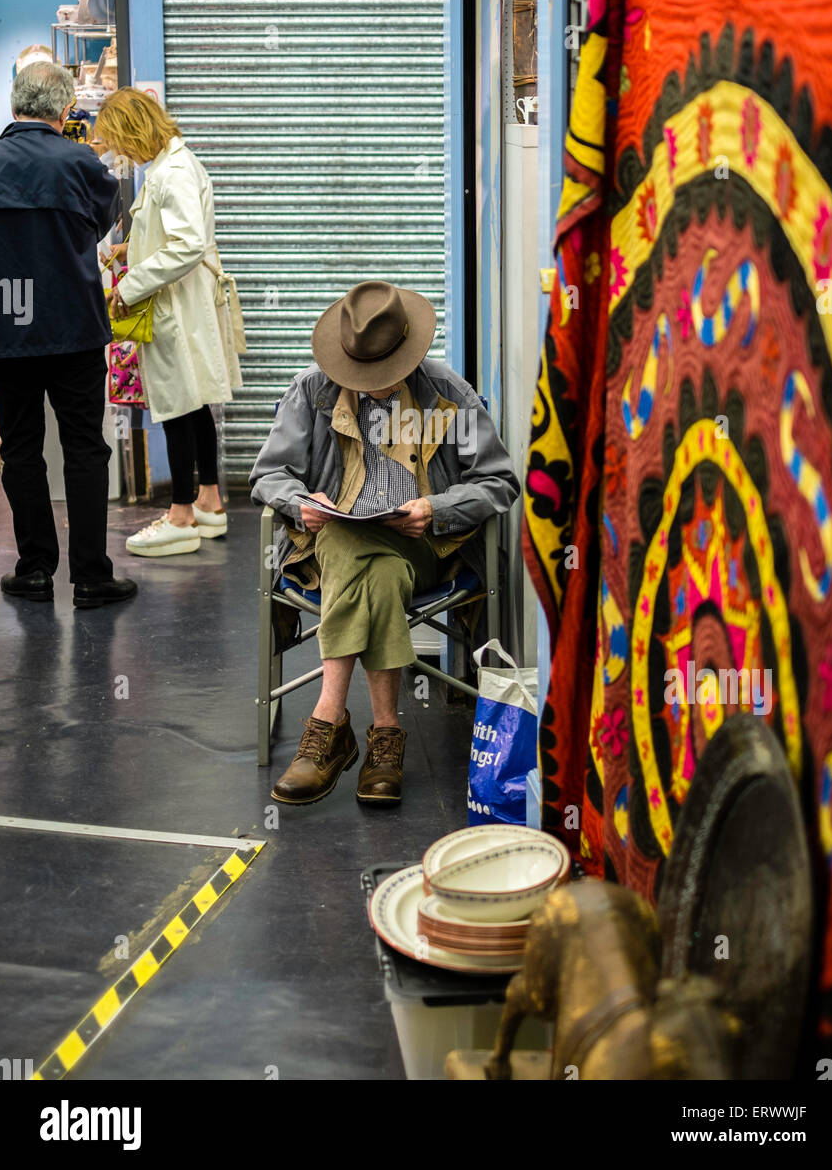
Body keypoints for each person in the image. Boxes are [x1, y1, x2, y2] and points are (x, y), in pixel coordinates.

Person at [250, 279, 520, 807]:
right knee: (369, 564)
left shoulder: (448, 394)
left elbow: (498, 481)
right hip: (333, 543)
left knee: (375, 565)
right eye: (361, 375)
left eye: (384, 375)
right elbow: (269, 476)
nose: (373, 385)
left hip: (424, 549)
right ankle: (386, 734)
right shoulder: (312, 390)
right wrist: (300, 501)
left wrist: (435, 508)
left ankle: (327, 726)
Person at [0, 61, 137, 609]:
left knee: (21, 448)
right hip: (74, 327)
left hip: (6, 330)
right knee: (85, 449)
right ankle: (93, 576)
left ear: (13, 105)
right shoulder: (83, 162)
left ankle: (33, 570)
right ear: (64, 109)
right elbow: (102, 223)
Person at [95, 88, 242, 557]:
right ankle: (209, 502)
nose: (121, 152)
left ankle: (180, 515)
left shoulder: (172, 171)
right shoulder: (171, 166)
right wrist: (131, 248)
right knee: (195, 401)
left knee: (179, 404)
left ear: (134, 130)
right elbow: (174, 236)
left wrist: (129, 284)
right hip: (182, 302)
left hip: (176, 306)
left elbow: (186, 245)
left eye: (120, 140)